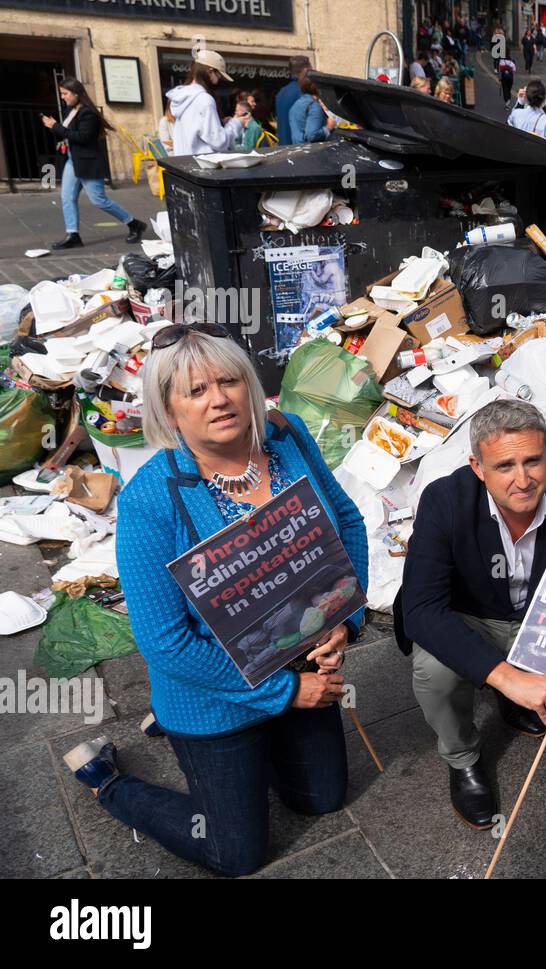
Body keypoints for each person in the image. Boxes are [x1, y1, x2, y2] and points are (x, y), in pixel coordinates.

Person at [63, 324, 367, 876]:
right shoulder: (149, 500)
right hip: (212, 693)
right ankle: (109, 783)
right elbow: (165, 643)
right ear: (168, 410)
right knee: (235, 854)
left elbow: (345, 521)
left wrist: (343, 618)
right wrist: (284, 692)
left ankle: (264, 750)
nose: (219, 399)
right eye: (195, 390)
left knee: (323, 798)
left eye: (229, 381)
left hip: (298, 657)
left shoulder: (288, 437)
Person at [397, 400, 546, 828]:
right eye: (505, 466)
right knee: (433, 669)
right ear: (478, 467)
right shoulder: (444, 501)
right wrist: (506, 676)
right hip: (471, 618)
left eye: (532, 460)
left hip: (543, 619)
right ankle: (463, 757)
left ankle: (514, 700)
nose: (523, 480)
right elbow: (421, 610)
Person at [41, 78, 147, 250]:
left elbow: (83, 137)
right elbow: (67, 134)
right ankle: (73, 234)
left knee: (99, 200)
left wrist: (56, 127)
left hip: (88, 162)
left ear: (76, 93)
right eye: (62, 94)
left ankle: (134, 223)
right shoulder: (71, 110)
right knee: (67, 197)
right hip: (72, 160)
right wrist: (53, 127)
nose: (63, 97)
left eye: (65, 93)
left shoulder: (88, 113)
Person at [167, 49, 241, 156]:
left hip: (184, 164)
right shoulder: (204, 99)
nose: (218, 80)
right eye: (218, 75)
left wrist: (219, 122)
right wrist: (236, 123)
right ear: (210, 71)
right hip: (204, 166)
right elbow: (219, 141)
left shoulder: (182, 97)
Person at [275, 55, 311, 146]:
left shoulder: (281, 92)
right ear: (306, 70)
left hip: (284, 148)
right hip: (300, 150)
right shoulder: (304, 92)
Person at [289, 75, 335, 143]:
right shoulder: (314, 106)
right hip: (312, 150)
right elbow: (312, 135)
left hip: (298, 149)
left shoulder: (296, 104)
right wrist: (328, 127)